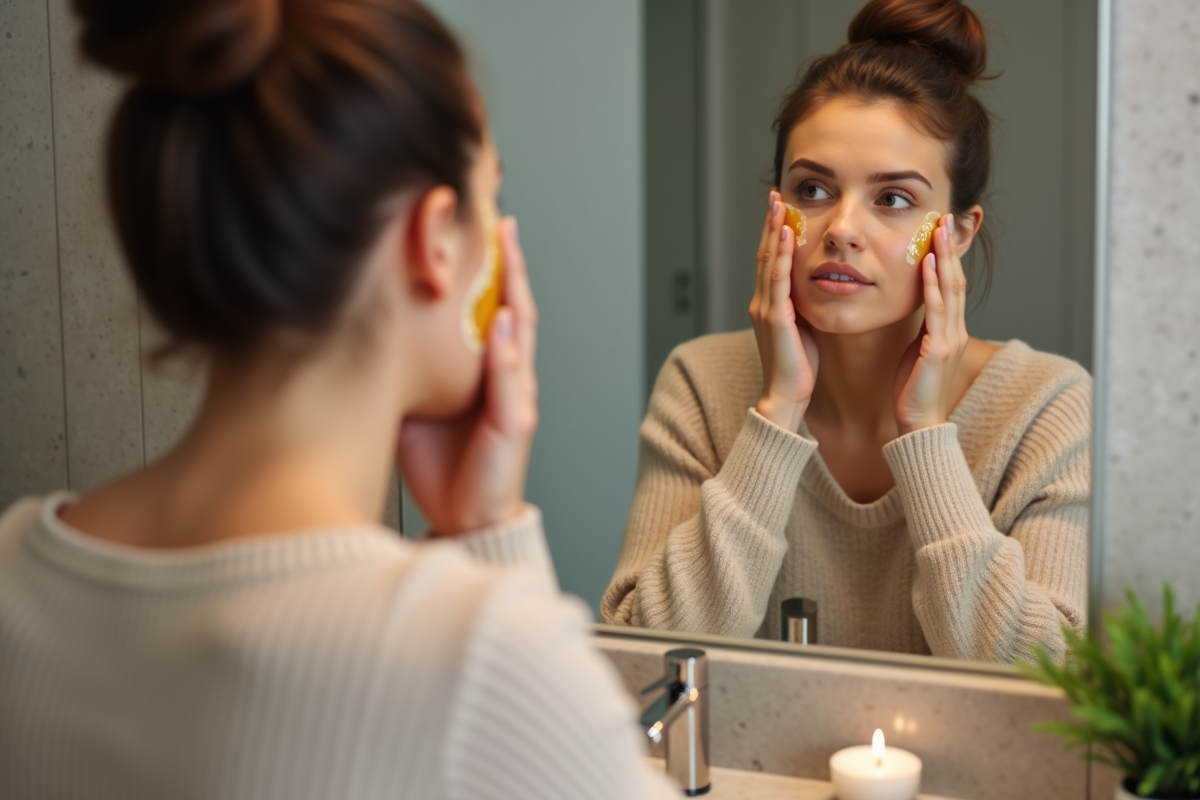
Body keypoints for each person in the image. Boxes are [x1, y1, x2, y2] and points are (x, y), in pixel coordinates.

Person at [0, 1, 676, 797]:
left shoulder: (14, 574)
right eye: (490, 199)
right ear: (434, 240)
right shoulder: (480, 667)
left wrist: (477, 531)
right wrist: (493, 552)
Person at [602, 0, 1091, 665]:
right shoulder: (700, 382)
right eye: (812, 190)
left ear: (958, 232)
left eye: (893, 199)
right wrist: (776, 416)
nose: (841, 230)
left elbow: (1045, 677)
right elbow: (644, 656)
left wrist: (925, 436)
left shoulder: (1047, 406)